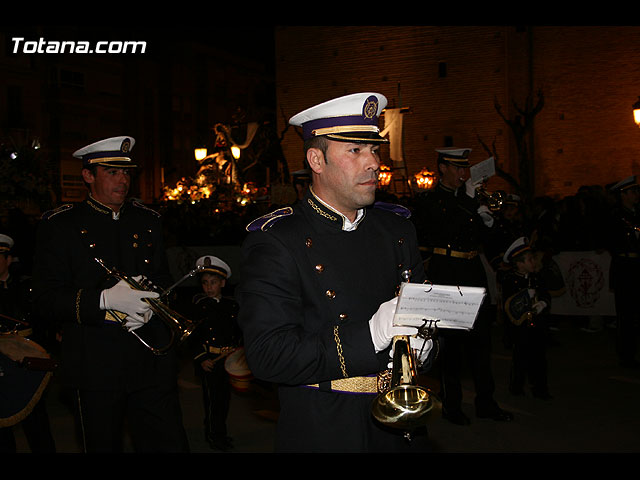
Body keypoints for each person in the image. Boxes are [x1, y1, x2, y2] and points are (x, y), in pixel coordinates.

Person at [237, 92, 435, 453]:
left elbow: (423, 314)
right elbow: (268, 356)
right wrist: (371, 335)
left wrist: (426, 343)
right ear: (316, 159)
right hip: (326, 423)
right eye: (355, 151)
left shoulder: (397, 229)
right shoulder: (279, 241)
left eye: (374, 150)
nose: (373, 163)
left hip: (402, 421)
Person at [32, 136, 189, 452]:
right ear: (88, 175)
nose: (123, 181)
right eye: (112, 172)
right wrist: (102, 301)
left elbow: (162, 278)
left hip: (150, 360)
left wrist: (152, 304)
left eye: (127, 173)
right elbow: (45, 297)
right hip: (95, 363)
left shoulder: (147, 221)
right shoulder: (62, 226)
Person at [412, 147, 513, 425]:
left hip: (473, 271)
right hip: (448, 273)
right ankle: (451, 404)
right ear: (442, 167)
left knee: (481, 342)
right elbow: (441, 229)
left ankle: (486, 402)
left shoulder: (469, 201)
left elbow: (488, 240)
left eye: (465, 168)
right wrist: (469, 204)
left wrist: (490, 222)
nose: (462, 174)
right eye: (457, 168)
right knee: (451, 346)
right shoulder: (430, 200)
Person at [0, 234, 56, 452]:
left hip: (28, 359)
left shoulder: (27, 286)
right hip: (1, 363)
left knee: (36, 419)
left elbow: (44, 319)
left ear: (8, 259)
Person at [187, 255, 241, 451]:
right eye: (205, 283)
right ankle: (213, 435)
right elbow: (192, 336)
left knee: (224, 400)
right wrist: (201, 358)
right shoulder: (198, 306)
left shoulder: (231, 306)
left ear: (223, 283)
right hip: (209, 360)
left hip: (227, 360)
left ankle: (221, 432)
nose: (208, 287)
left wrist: (236, 347)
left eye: (213, 283)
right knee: (212, 401)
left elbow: (237, 331)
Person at [500, 237, 552, 399]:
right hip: (519, 327)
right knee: (520, 357)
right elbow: (509, 305)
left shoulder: (536, 277)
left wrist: (543, 303)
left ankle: (540, 388)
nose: (533, 262)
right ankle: (517, 386)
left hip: (537, 325)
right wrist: (524, 297)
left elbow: (545, 293)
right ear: (519, 263)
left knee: (539, 358)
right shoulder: (510, 280)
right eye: (529, 260)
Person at [607, 176, 640, 368]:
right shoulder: (616, 216)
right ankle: (626, 355)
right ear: (623, 195)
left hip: (637, 266)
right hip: (625, 267)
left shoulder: (637, 213)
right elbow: (612, 241)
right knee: (626, 315)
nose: (637, 195)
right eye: (633, 192)